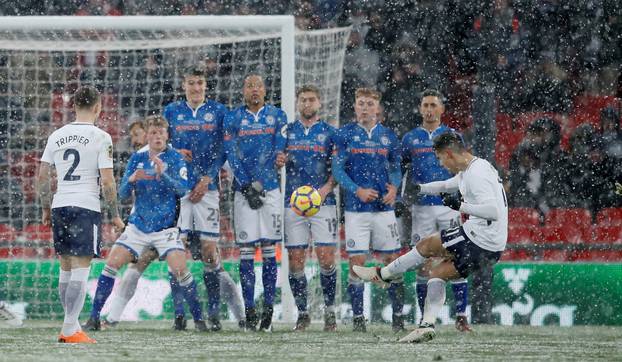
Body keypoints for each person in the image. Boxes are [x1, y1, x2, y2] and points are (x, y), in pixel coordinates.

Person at [353, 131, 508, 343]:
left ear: (448, 154)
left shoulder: (476, 175)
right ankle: (426, 325)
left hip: (480, 239)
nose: (441, 165)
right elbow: (446, 185)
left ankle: (383, 275)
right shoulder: (473, 167)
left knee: (426, 245)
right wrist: (419, 189)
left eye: (440, 159)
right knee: (437, 274)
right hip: (491, 246)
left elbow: (493, 211)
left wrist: (460, 205)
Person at [83, 115, 209, 332]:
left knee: (180, 270)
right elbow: (122, 194)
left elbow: (182, 190)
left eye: (161, 133)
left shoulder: (176, 159)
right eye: (153, 133)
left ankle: (199, 320)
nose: (157, 136)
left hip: (165, 229)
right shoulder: (137, 159)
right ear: (148, 136)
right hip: (138, 227)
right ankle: (94, 318)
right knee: (111, 264)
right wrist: (131, 180)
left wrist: (164, 174)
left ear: (167, 135)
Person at [37, 85, 125, 343]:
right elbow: (108, 183)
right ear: (98, 107)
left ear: (73, 106)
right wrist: (116, 216)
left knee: (65, 268)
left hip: (60, 204)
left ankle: (71, 325)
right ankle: (68, 330)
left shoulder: (57, 135)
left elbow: (43, 176)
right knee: (81, 269)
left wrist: (45, 207)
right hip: (85, 206)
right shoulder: (101, 137)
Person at [163, 65, 240, 331]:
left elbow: (224, 149)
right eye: (191, 83)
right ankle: (180, 314)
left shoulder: (219, 112)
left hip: (209, 189)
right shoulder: (171, 111)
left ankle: (215, 313)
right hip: (180, 190)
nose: (196, 88)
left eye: (200, 83)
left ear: (206, 86)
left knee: (209, 252)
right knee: (177, 250)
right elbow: (162, 144)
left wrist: (208, 177)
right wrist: (174, 151)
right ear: (183, 85)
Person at [331, 88, 404, 333]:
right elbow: (338, 171)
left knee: (392, 262)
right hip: (356, 211)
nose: (364, 108)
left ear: (377, 108)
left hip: (384, 210)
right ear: (354, 106)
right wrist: (357, 190)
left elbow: (396, 166)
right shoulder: (345, 135)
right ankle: (359, 320)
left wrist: (394, 187)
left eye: (369, 103)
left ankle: (397, 319)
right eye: (360, 103)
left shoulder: (389, 136)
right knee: (357, 263)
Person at [400, 89, 471, 332]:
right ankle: (425, 318)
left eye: (433, 105)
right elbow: (402, 171)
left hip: (448, 207)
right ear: (420, 109)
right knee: (423, 262)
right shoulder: (410, 139)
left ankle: (461, 316)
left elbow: (464, 168)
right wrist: (403, 197)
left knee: (456, 258)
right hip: (421, 209)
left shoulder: (452, 136)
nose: (429, 110)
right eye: (425, 105)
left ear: (442, 109)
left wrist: (462, 196)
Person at [224, 73, 288, 331]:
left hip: (270, 191)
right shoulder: (233, 117)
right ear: (243, 90)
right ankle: (250, 311)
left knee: (270, 247)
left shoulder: (278, 116)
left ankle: (269, 312)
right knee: (247, 250)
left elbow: (278, 150)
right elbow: (231, 153)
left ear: (265, 89)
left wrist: (260, 182)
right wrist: (246, 184)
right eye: (249, 85)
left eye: (258, 85)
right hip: (243, 191)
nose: (254, 90)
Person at [276, 85, 338, 332]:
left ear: (319, 103)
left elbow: (338, 168)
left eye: (312, 100)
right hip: (294, 204)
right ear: (297, 103)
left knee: (326, 258)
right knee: (296, 260)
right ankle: (303, 313)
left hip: (324, 203)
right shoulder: (287, 132)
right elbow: (276, 157)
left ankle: (330, 312)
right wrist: (278, 159)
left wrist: (325, 189)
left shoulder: (330, 133)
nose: (307, 104)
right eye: (303, 100)